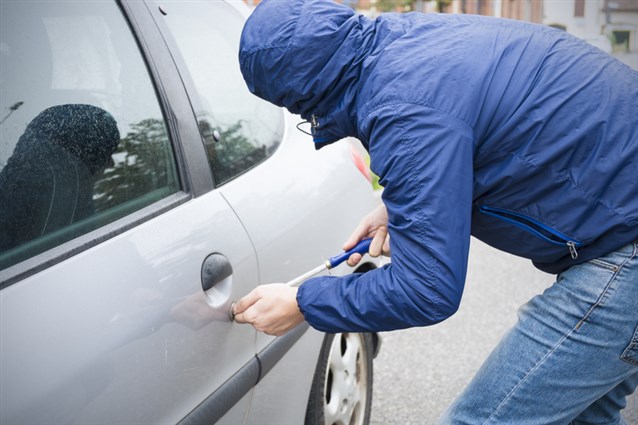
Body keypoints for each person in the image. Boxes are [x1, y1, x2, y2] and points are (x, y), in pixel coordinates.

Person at [232, 0, 638, 423]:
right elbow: (473, 120)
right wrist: (403, 204)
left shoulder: (401, 111)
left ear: (303, 95)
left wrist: (302, 302)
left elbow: (427, 289)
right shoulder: (401, 41)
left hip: (626, 245)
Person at [0, 104, 120, 252]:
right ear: (83, 162)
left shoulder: (72, 195)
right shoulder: (58, 200)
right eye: (105, 155)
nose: (112, 164)